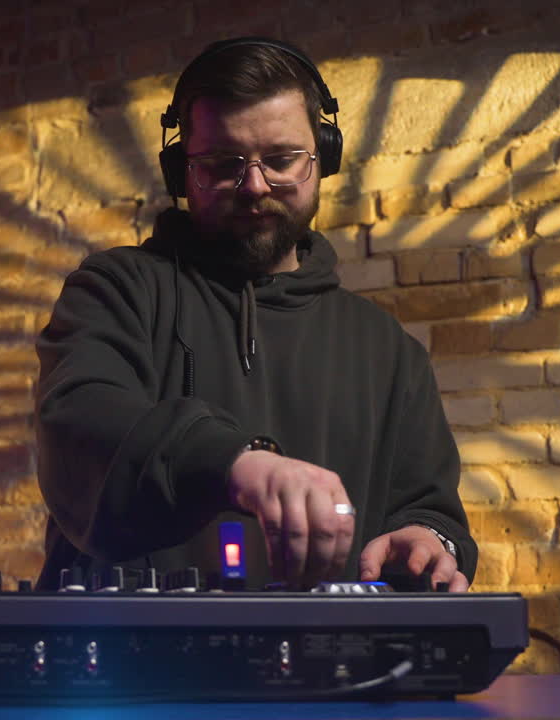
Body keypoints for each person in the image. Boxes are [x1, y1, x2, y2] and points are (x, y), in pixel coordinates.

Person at [34, 37, 475, 593]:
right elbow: (79, 426)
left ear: (323, 158)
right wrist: (236, 464)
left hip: (323, 652)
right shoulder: (115, 289)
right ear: (181, 171)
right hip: (132, 644)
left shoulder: (386, 348)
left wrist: (429, 541)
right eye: (223, 165)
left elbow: (429, 508)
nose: (255, 185)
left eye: (282, 160)